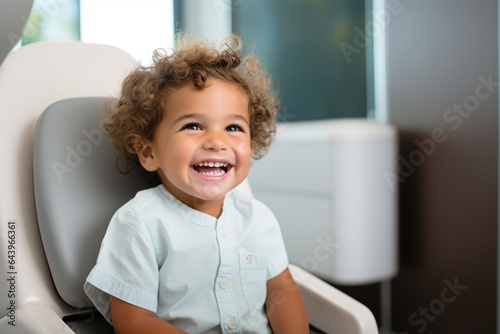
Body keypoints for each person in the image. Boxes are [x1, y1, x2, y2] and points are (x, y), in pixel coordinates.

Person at [84, 34, 309, 334]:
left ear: (251, 145)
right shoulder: (139, 223)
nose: (217, 141)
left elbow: (282, 291)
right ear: (149, 152)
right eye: (193, 126)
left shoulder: (258, 218)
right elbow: (134, 322)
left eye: (233, 127)